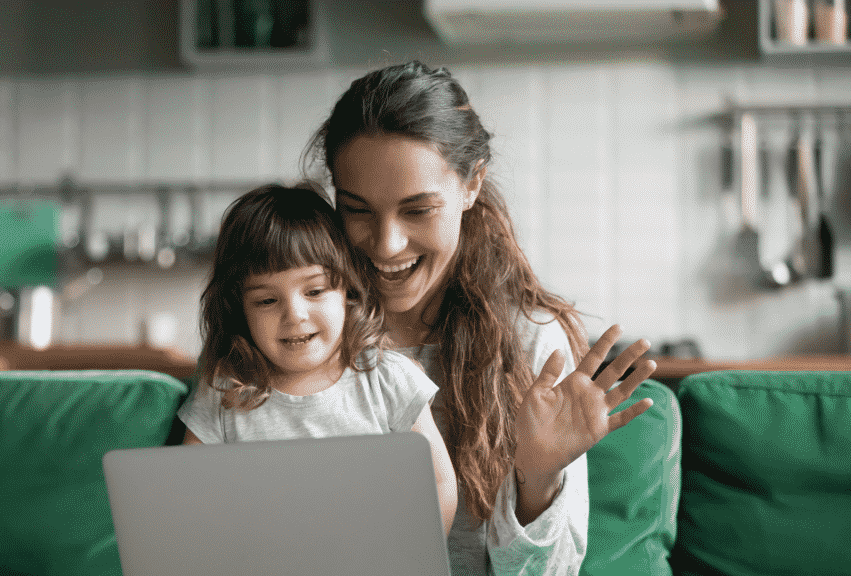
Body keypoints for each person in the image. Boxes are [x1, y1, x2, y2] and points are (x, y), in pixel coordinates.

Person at [303, 61, 658, 575]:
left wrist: (537, 481)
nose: (386, 244)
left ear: (472, 185)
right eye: (357, 209)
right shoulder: (304, 331)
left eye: (417, 210)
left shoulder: (530, 343)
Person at [177, 182, 458, 536]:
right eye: (266, 300)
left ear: (347, 291)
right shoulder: (225, 391)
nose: (294, 314)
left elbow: (438, 483)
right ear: (240, 311)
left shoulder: (388, 379)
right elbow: (189, 496)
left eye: (314, 290)